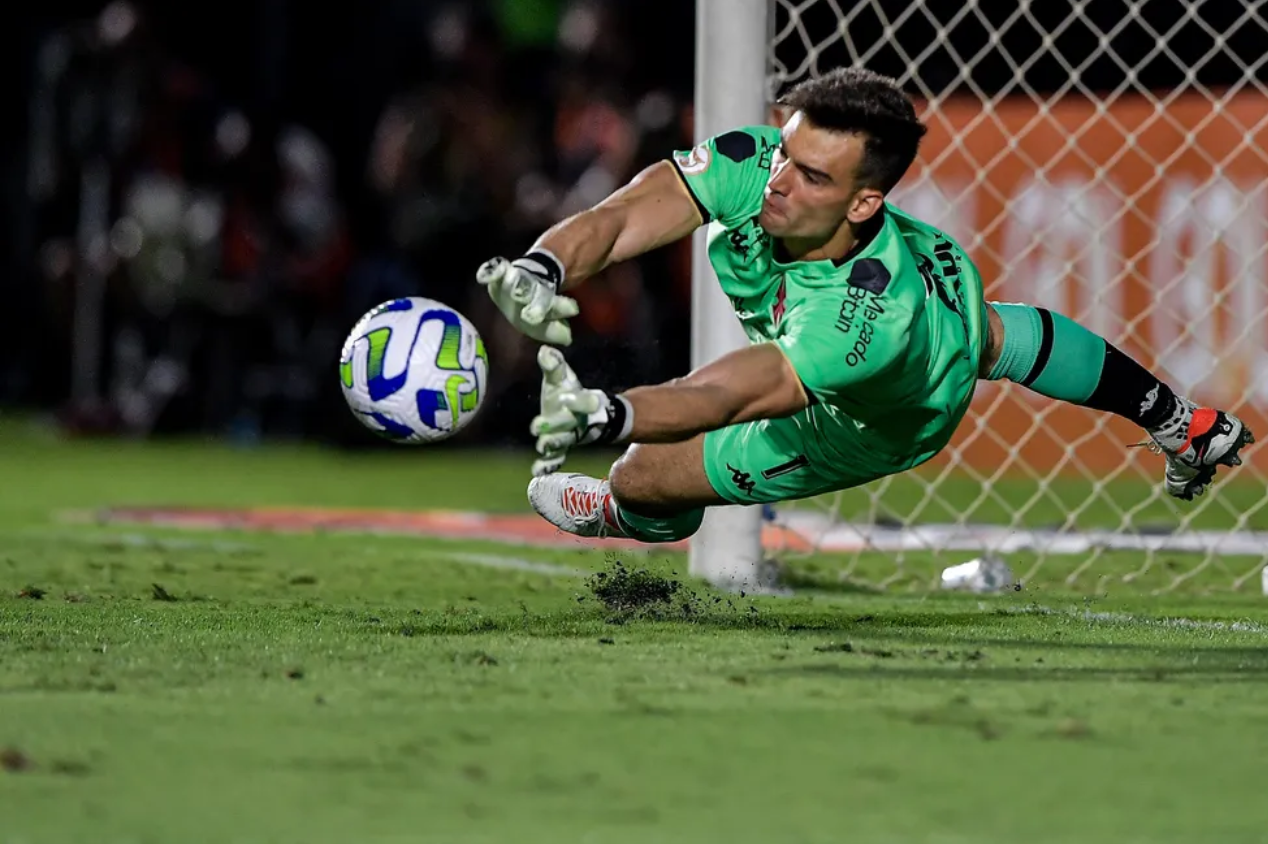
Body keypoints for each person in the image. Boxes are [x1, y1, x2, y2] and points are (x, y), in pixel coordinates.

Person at [475, 67, 1254, 544]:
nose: (780, 181)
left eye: (814, 178)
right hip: (936, 290)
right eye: (787, 152)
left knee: (646, 474)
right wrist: (545, 265)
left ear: (862, 202)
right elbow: (626, 213)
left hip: (878, 416)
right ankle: (1178, 419)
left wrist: (610, 413)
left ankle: (636, 515)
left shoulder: (861, 326)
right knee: (992, 335)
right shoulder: (763, 166)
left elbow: (727, 395)